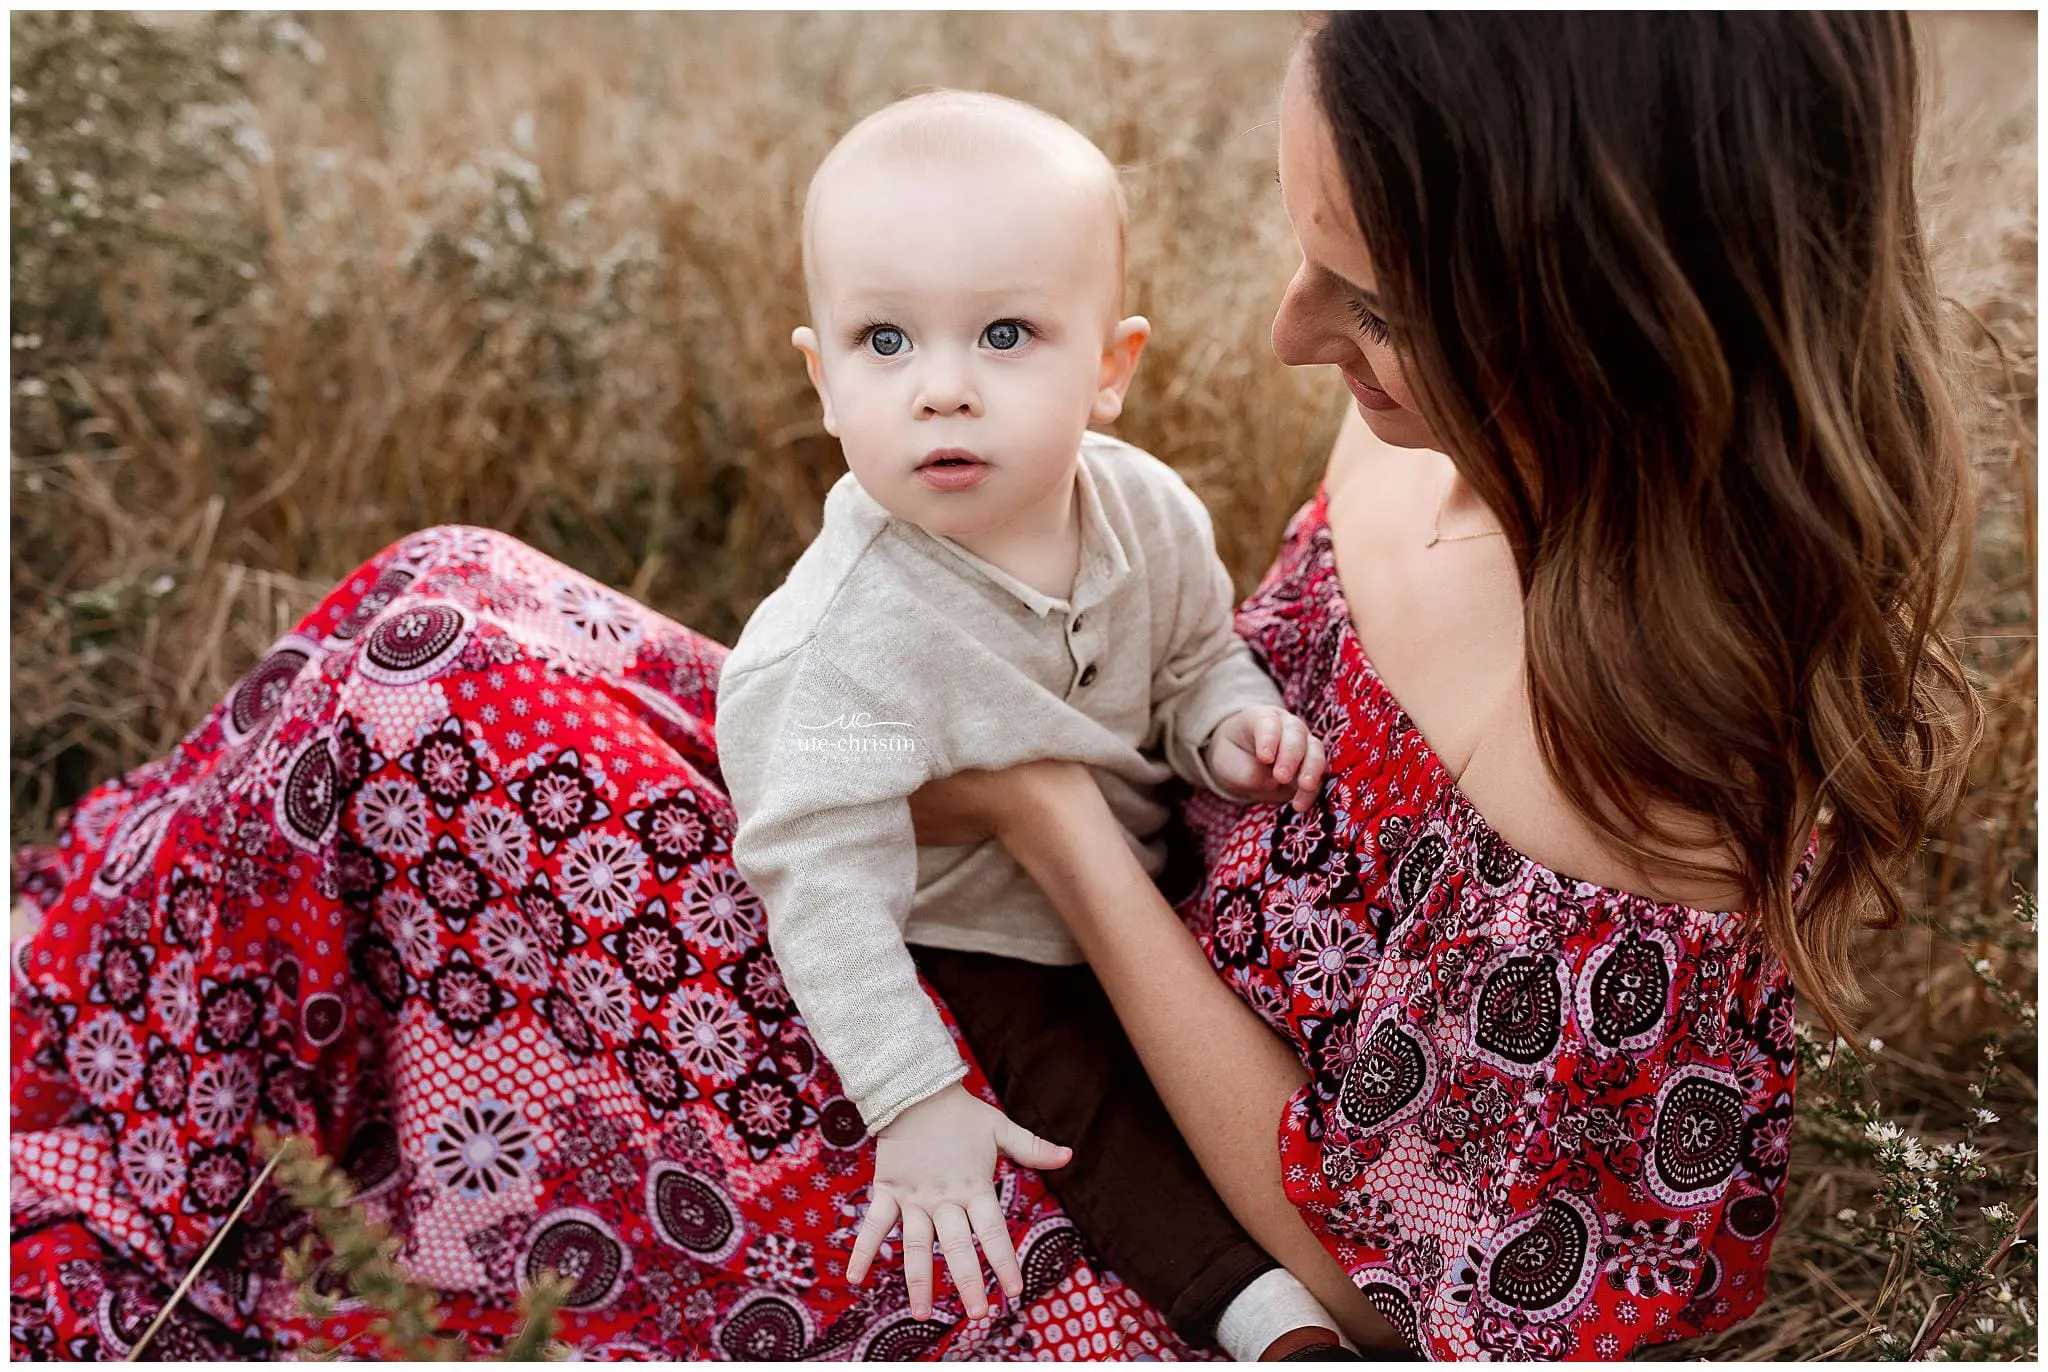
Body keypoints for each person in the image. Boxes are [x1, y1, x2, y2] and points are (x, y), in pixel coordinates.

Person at [8, 11, 1974, 1364]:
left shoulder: (1639, 768)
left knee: (443, 736)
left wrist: (1046, 818)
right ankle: (99, 1117)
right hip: (986, 923)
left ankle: (152, 1223)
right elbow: (1169, 686)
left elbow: (1373, 1281)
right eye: (1311, 254)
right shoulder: (1444, 425)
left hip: (1118, 1215)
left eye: (1372, 298)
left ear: (1596, 306)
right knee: (444, 628)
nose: (1291, 335)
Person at [717, 89, 1347, 1360]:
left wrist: (1229, 726)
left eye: (1004, 334)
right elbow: (820, 873)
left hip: (1137, 891)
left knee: (1220, 1062)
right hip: (973, 931)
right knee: (1074, 1109)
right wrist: (911, 1096)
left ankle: (1341, 1231)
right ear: (823, 379)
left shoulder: (1146, 514)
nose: (942, 389)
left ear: (1109, 368)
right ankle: (1255, 1312)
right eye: (884, 341)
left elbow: (1191, 662)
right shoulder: (845, 639)